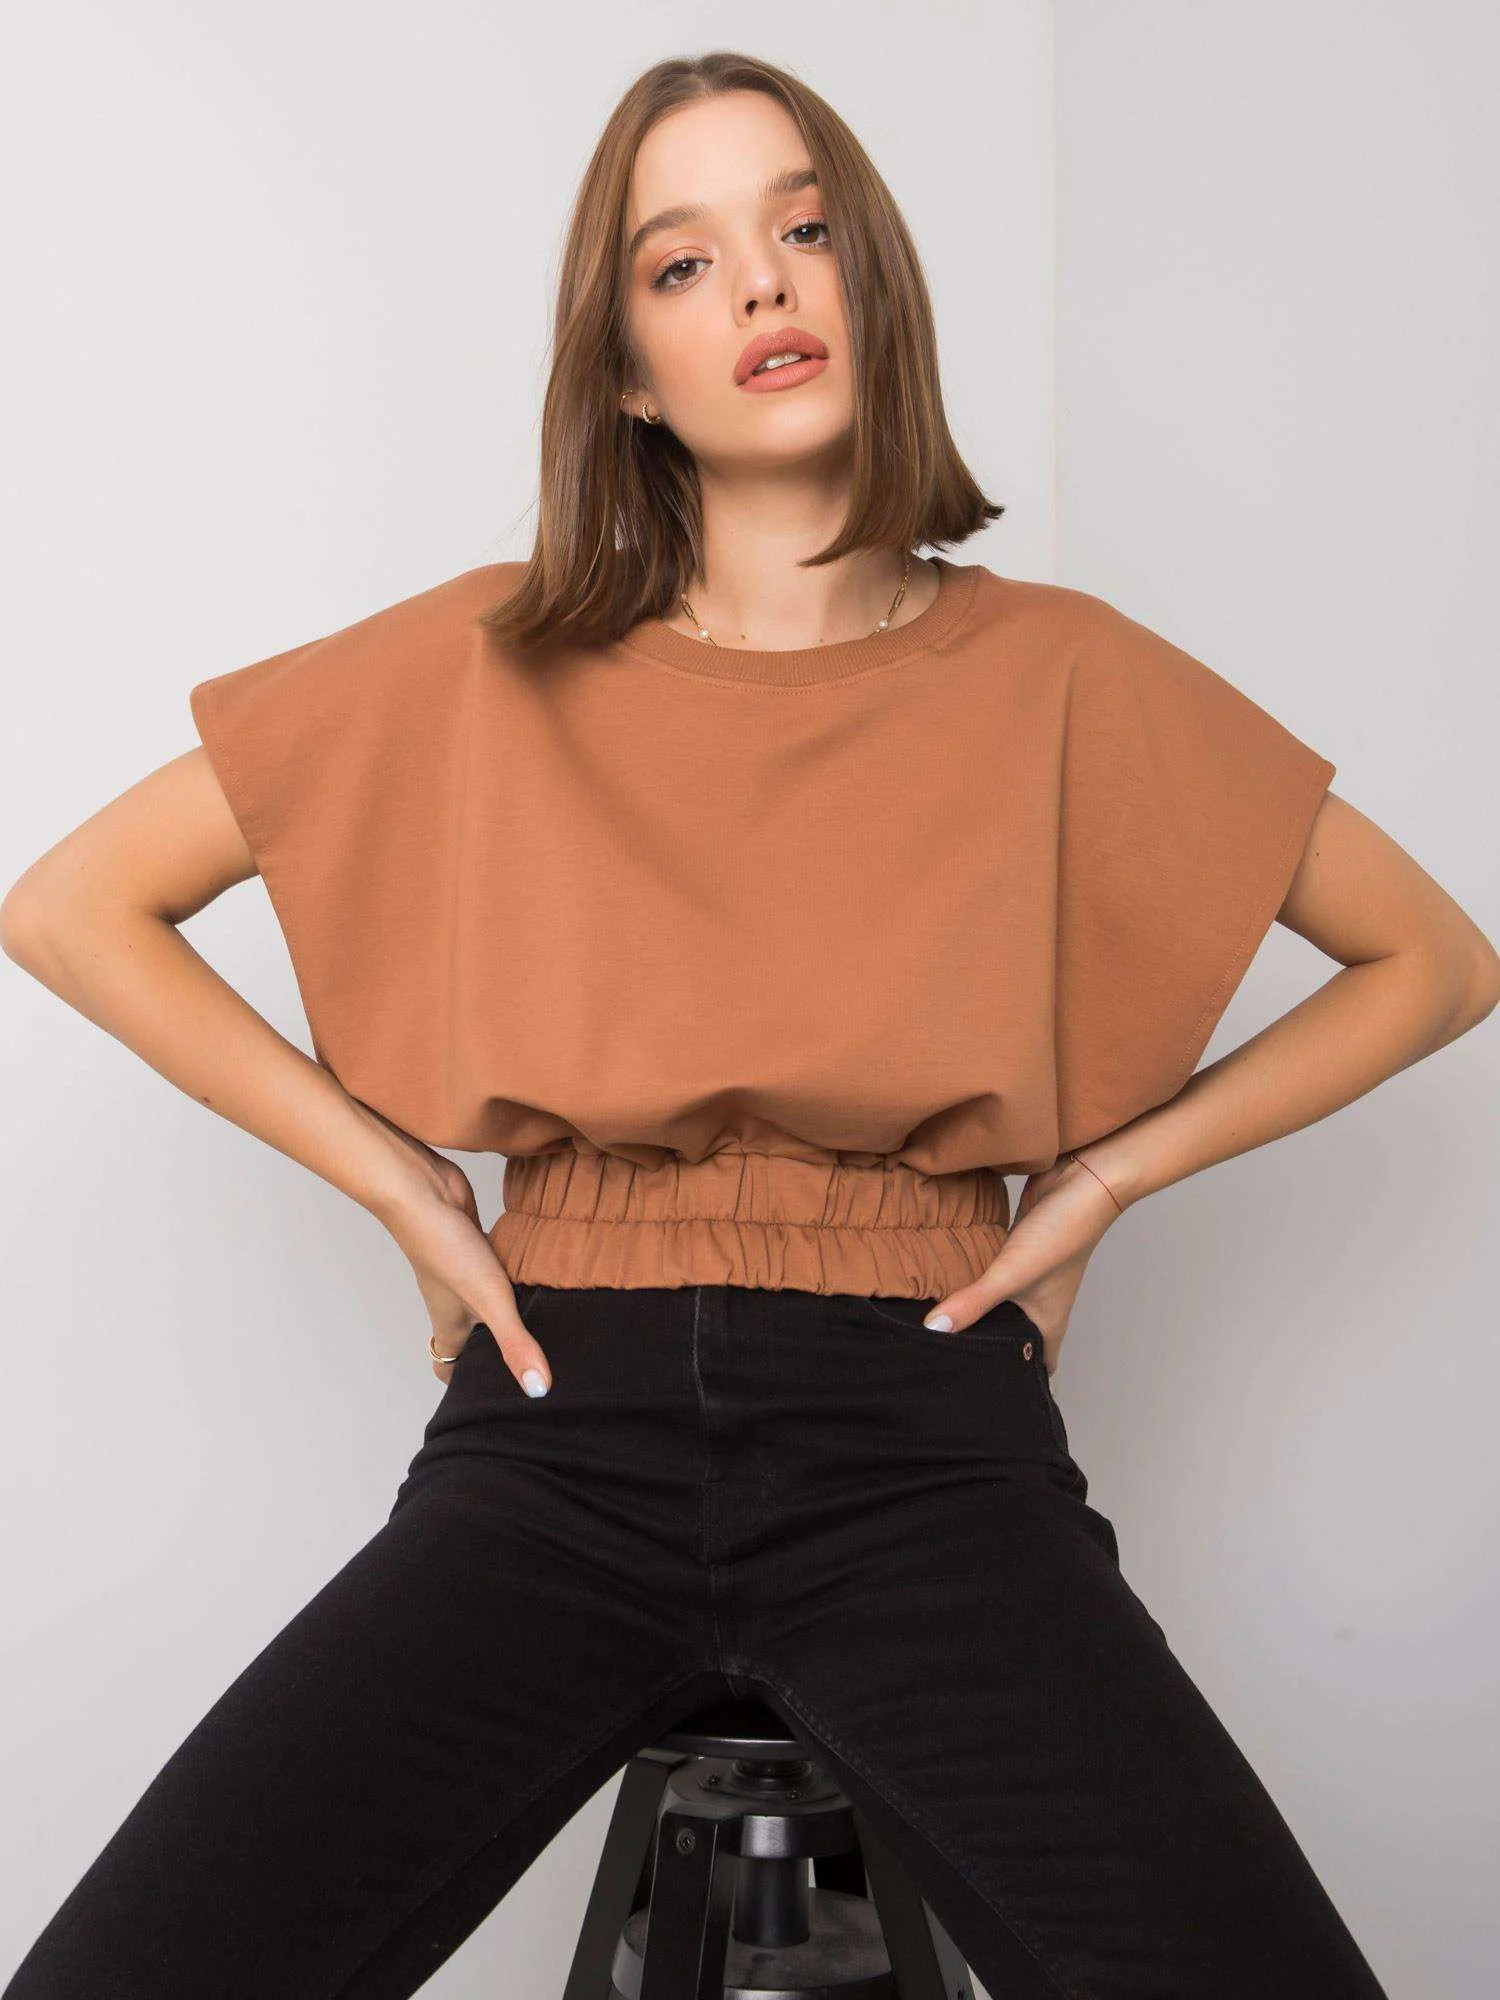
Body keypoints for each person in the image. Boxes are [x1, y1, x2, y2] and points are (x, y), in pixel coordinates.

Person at [1, 50, 1492, 2000]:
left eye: (805, 229)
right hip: (560, 1417)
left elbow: (1435, 961)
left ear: (876, 281)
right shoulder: (490, 651)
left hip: (925, 1427)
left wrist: (1108, 1181)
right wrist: (402, 1190)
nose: (765, 283)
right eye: (682, 263)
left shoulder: (1061, 671)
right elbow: (70, 906)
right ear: (628, 370)